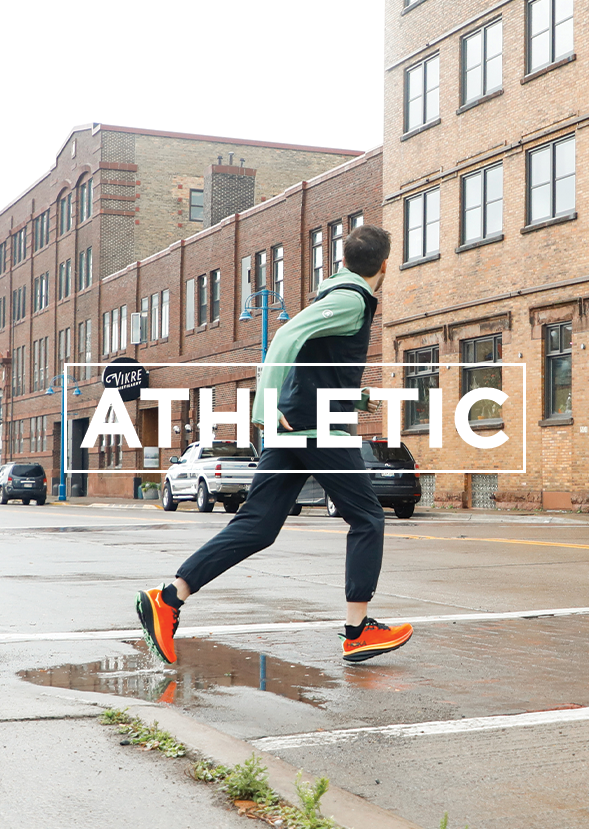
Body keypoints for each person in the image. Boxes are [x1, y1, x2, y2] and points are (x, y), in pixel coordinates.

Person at [136, 224, 413, 665]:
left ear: (341, 261)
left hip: (295, 429)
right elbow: (285, 338)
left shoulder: (333, 295)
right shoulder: (350, 298)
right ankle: (358, 631)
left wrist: (350, 396)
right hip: (316, 431)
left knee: (258, 526)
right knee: (367, 519)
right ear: (385, 265)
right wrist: (263, 403)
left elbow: (313, 362)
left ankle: (170, 598)